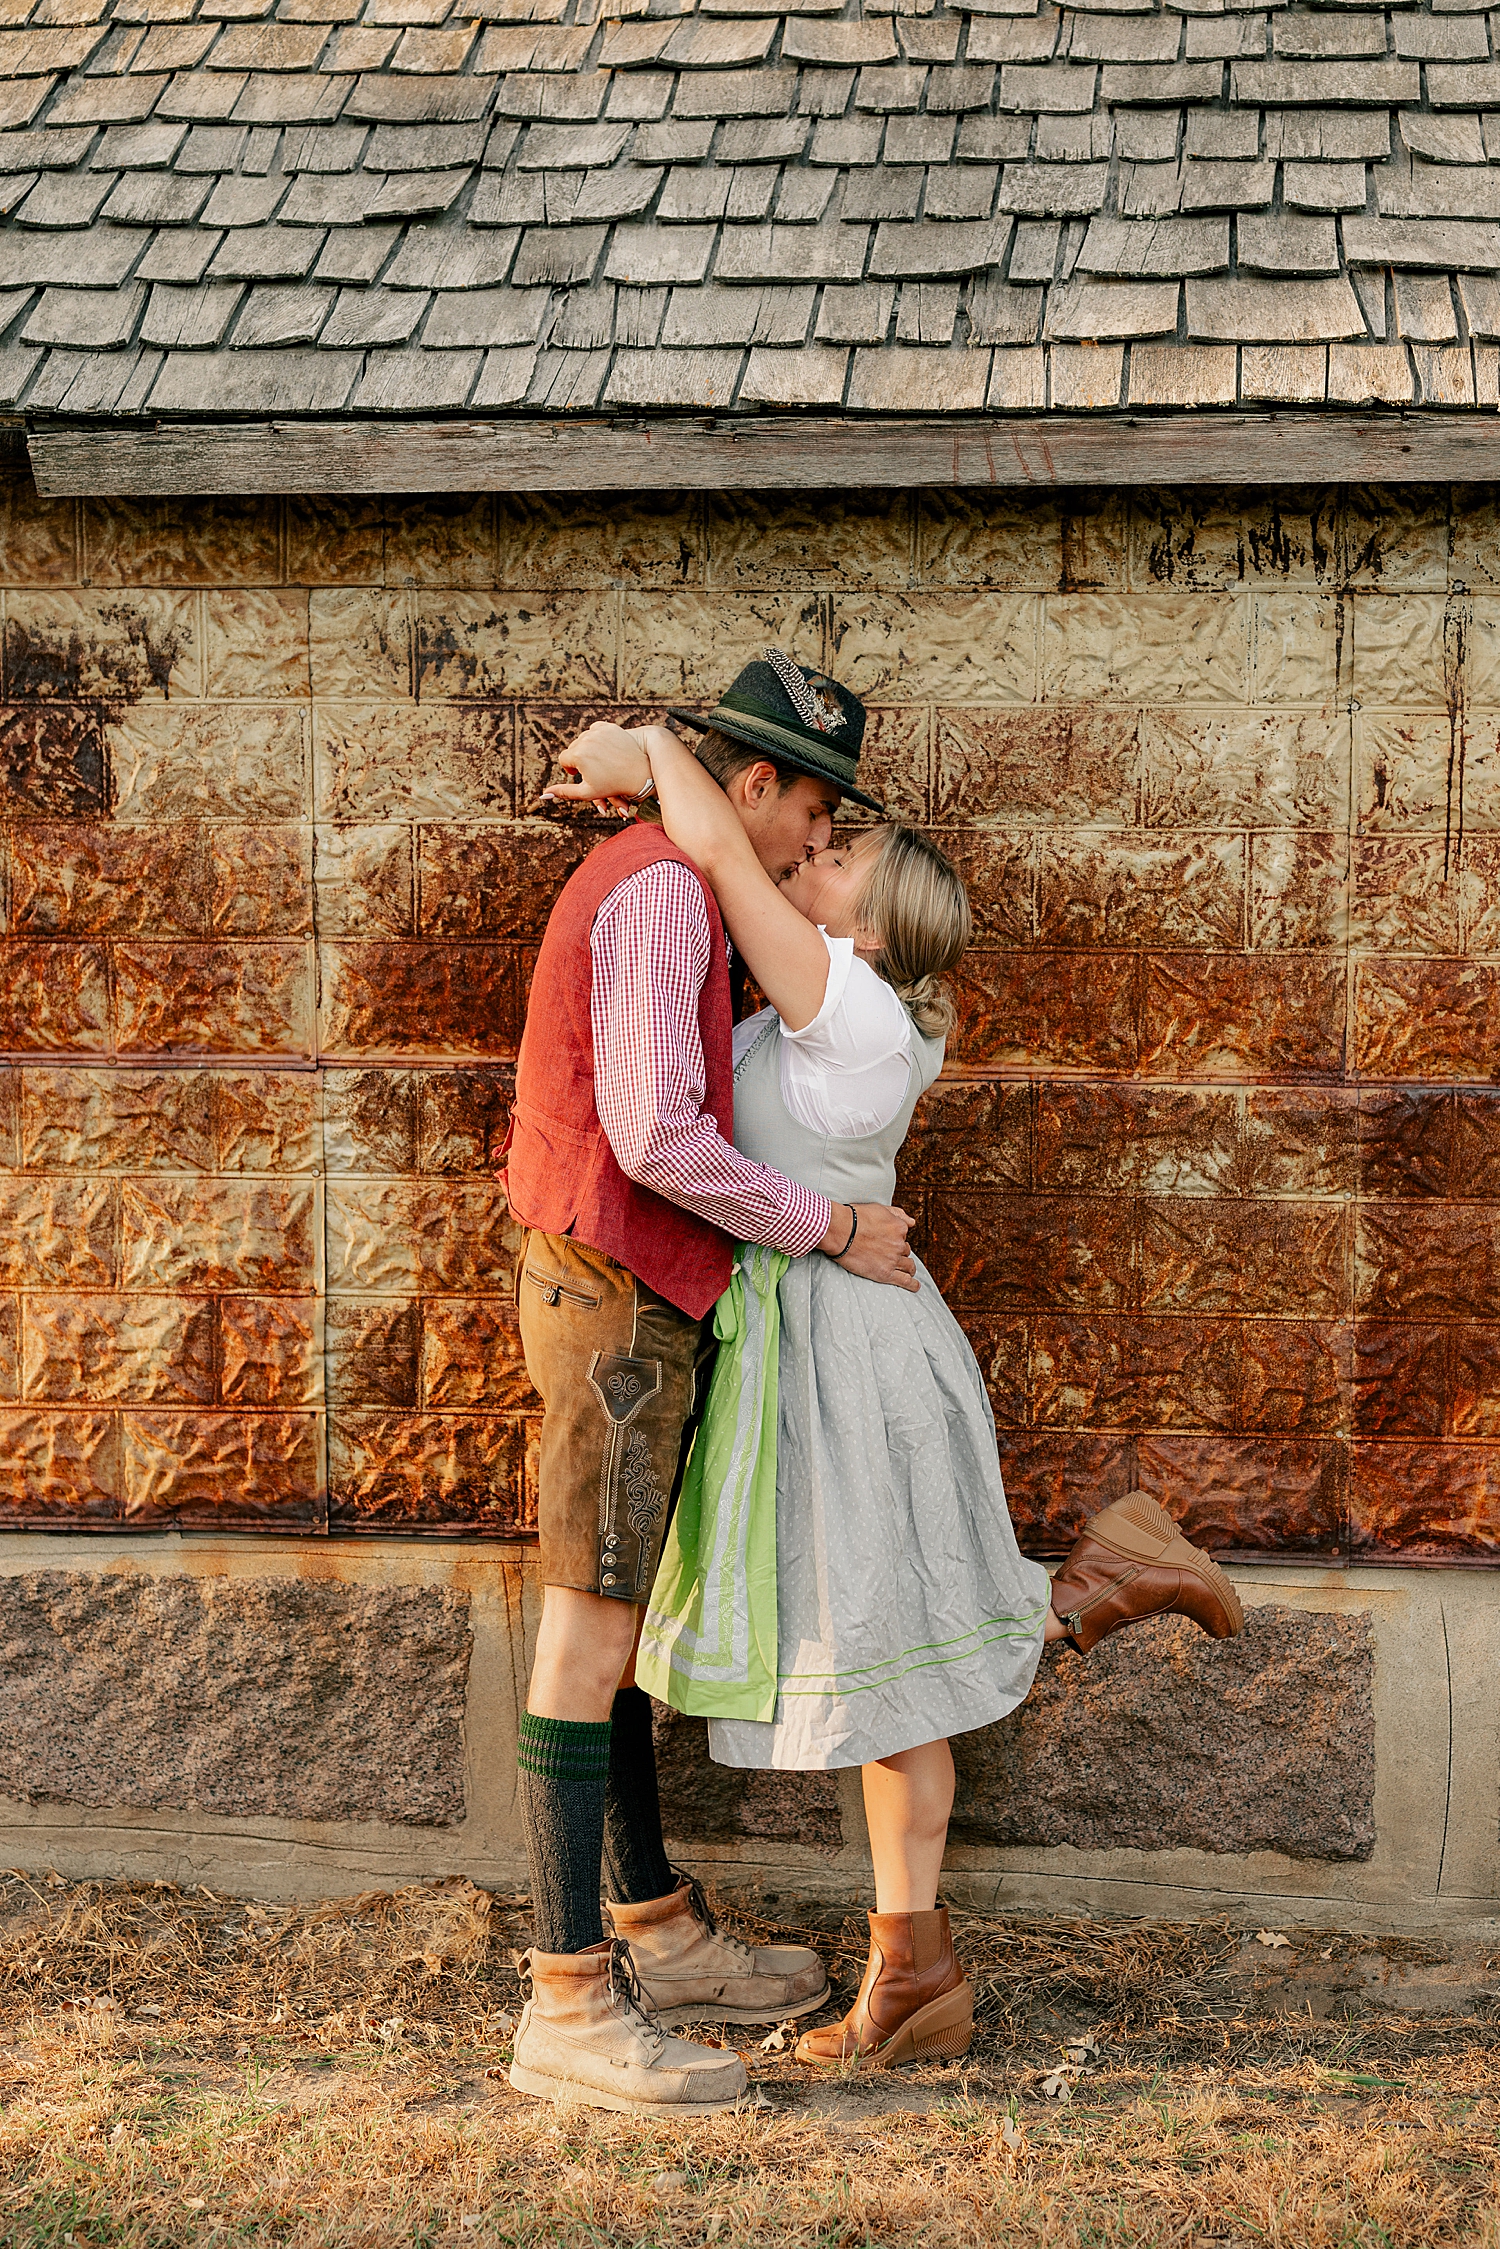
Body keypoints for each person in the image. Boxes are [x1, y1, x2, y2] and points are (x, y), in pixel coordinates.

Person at [548, 690, 1245, 2076]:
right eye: (815, 847)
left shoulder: (851, 1007)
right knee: (888, 1653)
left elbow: (726, 857)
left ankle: (1098, 1591)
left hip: (851, 1355)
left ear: (867, 930)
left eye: (834, 865)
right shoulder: (845, 1009)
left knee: (889, 1651)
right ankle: (914, 1969)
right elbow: (726, 878)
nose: (809, 865)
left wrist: (652, 756)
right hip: (827, 1333)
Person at [502, 652, 926, 2117]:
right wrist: (831, 1224)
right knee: (586, 1626)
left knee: (611, 1618)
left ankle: (652, 1931)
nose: (817, 843)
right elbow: (660, 1138)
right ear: (759, 785)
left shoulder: (683, 883)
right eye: (814, 811)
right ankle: (567, 2002)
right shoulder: (673, 891)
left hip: (632, 1290)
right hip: (616, 1287)